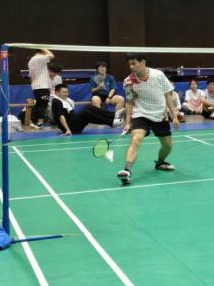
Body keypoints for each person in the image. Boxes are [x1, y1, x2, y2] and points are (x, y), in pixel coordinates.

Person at [118, 53, 180, 186]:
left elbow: (167, 95)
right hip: (141, 114)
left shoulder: (158, 75)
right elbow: (129, 103)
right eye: (129, 64)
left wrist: (174, 116)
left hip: (160, 115)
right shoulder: (129, 81)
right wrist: (127, 123)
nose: (131, 67)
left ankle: (160, 162)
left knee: (167, 146)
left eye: (134, 63)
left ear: (143, 62)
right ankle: (127, 171)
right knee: (136, 139)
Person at [51, 84, 117, 135]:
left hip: (74, 125)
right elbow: (61, 117)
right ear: (57, 92)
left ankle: (113, 119)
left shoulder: (66, 100)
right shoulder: (56, 101)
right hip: (71, 127)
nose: (66, 94)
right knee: (87, 109)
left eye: (67, 92)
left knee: (90, 114)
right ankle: (113, 117)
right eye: (64, 92)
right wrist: (67, 130)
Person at [25, 48, 54, 128]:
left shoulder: (31, 61)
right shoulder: (40, 58)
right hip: (42, 86)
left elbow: (31, 77)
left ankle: (33, 121)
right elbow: (51, 56)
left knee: (39, 104)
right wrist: (45, 49)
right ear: (42, 52)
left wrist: (33, 86)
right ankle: (39, 122)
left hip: (36, 86)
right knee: (43, 104)